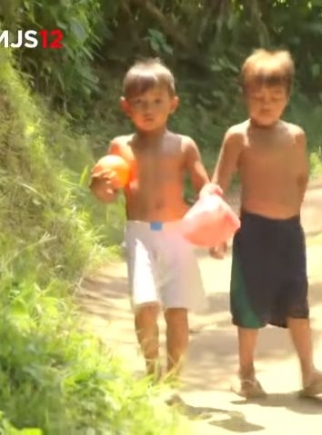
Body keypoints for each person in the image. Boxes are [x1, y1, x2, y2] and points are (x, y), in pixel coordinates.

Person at [206, 49, 322, 398]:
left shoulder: (296, 135)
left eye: (275, 97)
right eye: (258, 97)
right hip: (253, 233)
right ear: (245, 96)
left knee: (298, 302)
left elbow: (300, 178)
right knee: (249, 307)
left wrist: (294, 215)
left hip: (289, 234)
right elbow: (217, 185)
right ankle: (246, 374)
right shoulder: (238, 136)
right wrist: (216, 231)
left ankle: (309, 373)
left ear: (287, 97)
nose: (266, 104)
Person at [90, 58, 210, 398]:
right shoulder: (120, 148)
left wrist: (216, 232)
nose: (149, 109)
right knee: (144, 305)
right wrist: (100, 186)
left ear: (173, 104)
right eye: (140, 102)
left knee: (177, 310)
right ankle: (151, 371)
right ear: (126, 106)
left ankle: (173, 381)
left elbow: (206, 190)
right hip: (140, 234)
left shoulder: (183, 145)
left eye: (157, 101)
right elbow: (105, 193)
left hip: (176, 234)